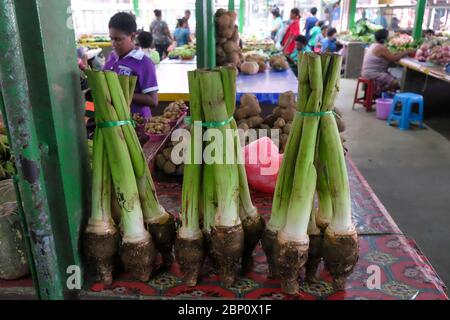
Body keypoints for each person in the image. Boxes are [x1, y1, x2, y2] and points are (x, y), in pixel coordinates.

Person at [105, 12, 158, 119]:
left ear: (132, 36)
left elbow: (153, 100)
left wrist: (119, 93)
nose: (114, 44)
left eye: (118, 39)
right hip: (113, 121)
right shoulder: (111, 57)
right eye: (112, 38)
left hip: (137, 124)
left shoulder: (144, 62)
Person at [361, 29, 415, 96]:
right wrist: (406, 52)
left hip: (368, 72)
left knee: (393, 79)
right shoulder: (381, 48)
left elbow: (390, 55)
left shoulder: (374, 45)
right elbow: (393, 58)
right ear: (384, 38)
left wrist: (400, 53)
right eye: (388, 36)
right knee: (395, 83)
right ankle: (378, 92)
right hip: (373, 73)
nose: (390, 38)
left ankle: (381, 93)